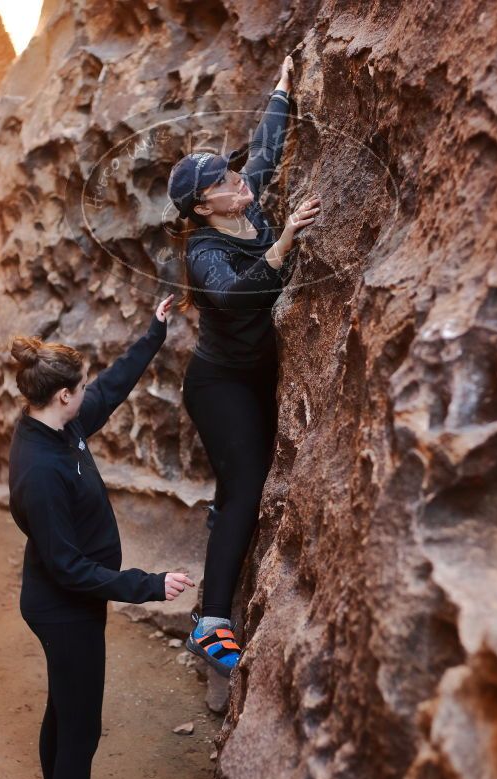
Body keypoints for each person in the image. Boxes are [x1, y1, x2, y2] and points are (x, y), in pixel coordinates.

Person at [167, 54, 320, 677]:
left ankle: (223, 519)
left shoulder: (245, 200)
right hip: (219, 384)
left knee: (237, 485)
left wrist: (283, 88)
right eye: (222, 186)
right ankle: (211, 623)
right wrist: (283, 246)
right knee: (248, 487)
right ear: (202, 209)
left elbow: (265, 148)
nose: (238, 184)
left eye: (231, 176)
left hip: (258, 374)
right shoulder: (205, 249)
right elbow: (231, 296)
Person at [8, 293, 194, 779]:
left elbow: (109, 391)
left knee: (64, 712)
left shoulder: (57, 426)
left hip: (69, 600)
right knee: (81, 730)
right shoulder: (41, 469)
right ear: (64, 394)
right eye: (81, 386)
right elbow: (68, 567)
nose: (88, 391)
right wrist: (148, 586)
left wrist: (153, 334)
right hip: (63, 609)